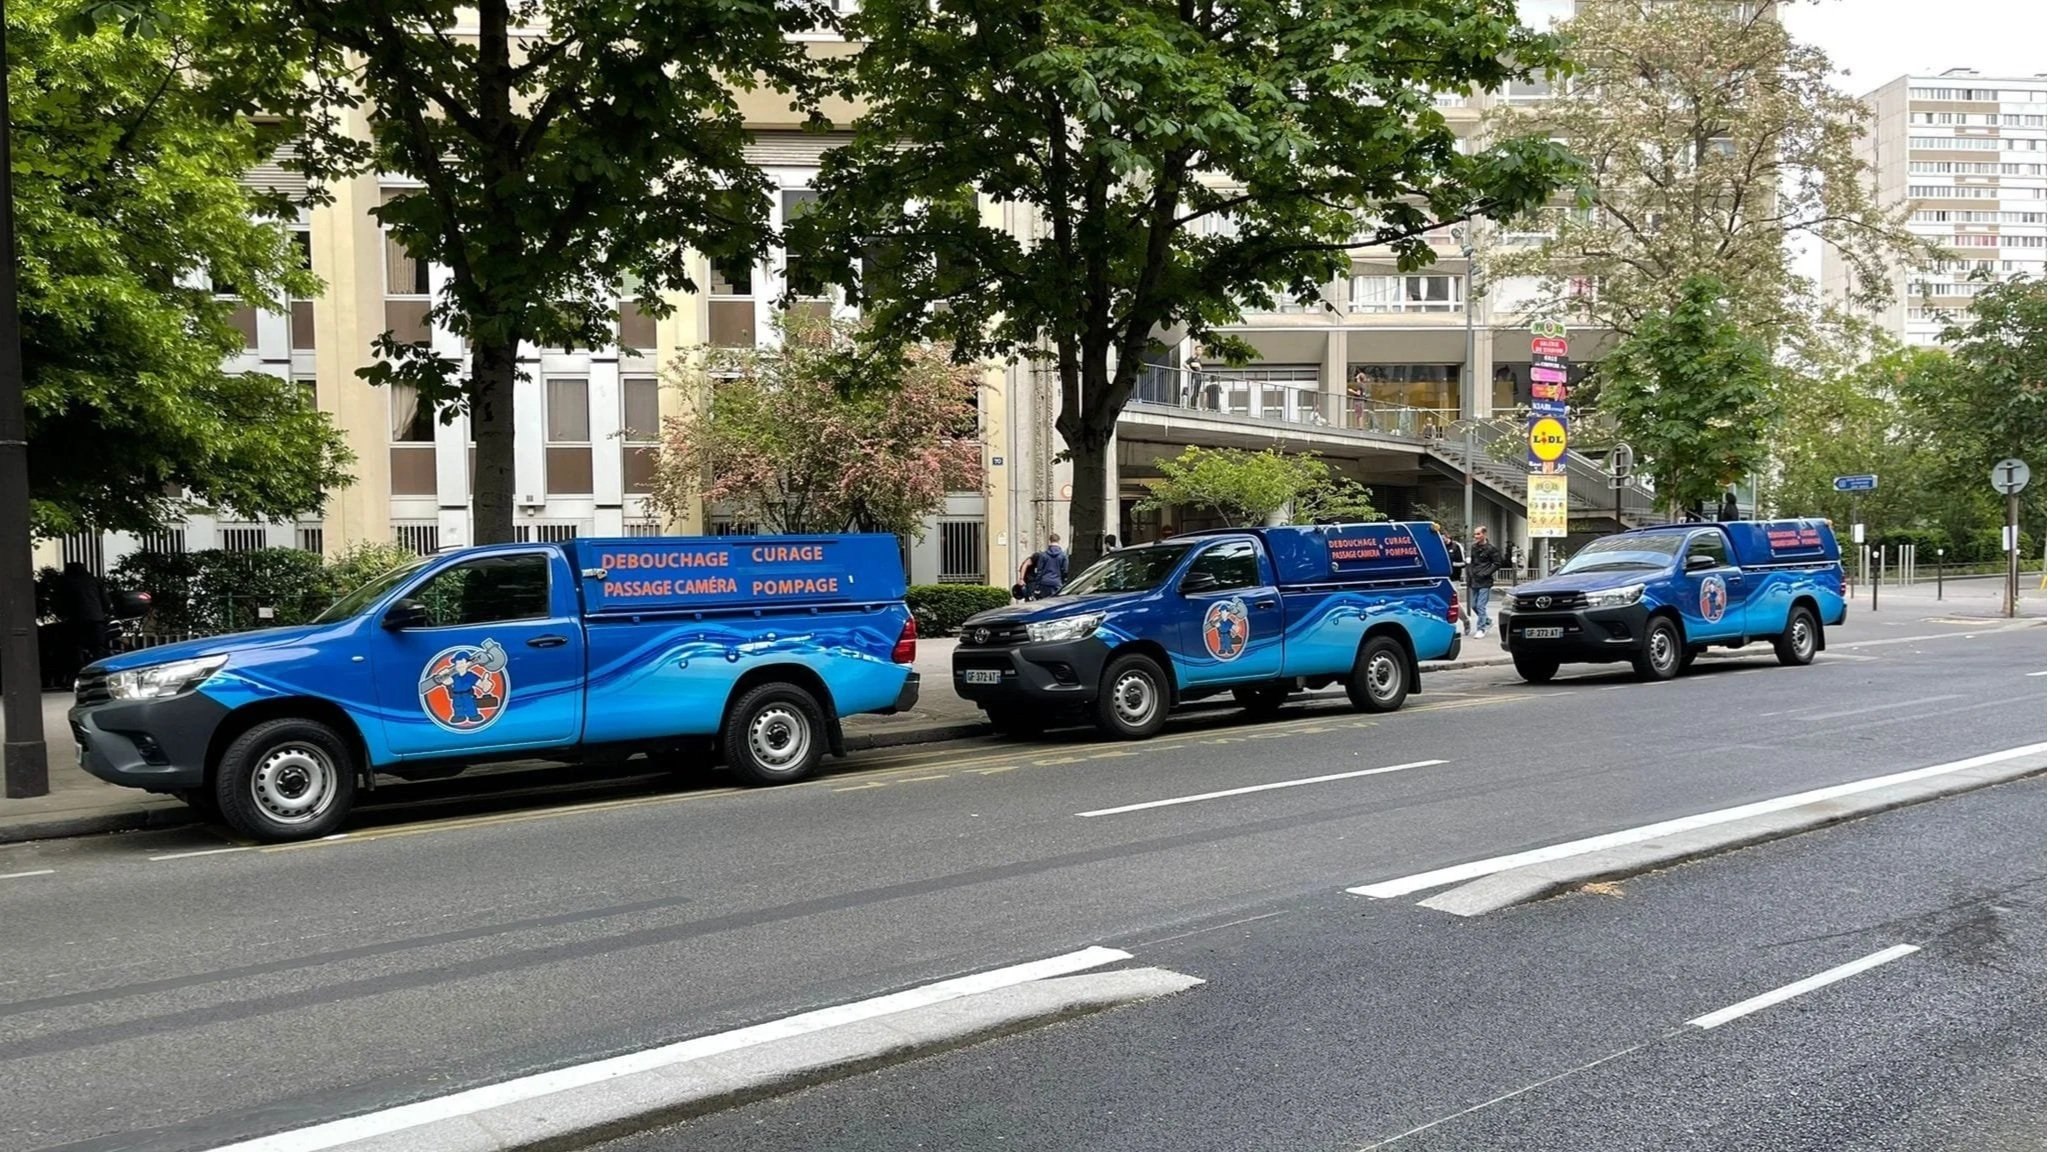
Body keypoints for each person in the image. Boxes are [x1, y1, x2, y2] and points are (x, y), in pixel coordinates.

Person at [57, 561, 113, 663]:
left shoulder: (66, 583)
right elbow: (106, 602)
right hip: (96, 620)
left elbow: (61, 603)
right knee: (98, 649)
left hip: (76, 621)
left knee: (75, 647)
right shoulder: (95, 581)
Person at [1468, 526, 1504, 638]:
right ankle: (1487, 620)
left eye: (1478, 534)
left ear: (1484, 534)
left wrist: (1486, 573)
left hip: (1485, 581)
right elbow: (1473, 562)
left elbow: (1497, 563)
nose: (1476, 536)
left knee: (1480, 605)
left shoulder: (1491, 549)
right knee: (1473, 605)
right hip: (1475, 579)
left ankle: (1481, 628)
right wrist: (1471, 574)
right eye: (1475, 534)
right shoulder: (1474, 547)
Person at [1030, 533, 1070, 599]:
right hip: (1057, 582)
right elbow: (1065, 570)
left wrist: (1037, 586)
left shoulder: (1043, 555)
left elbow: (1039, 571)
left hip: (1044, 583)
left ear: (1050, 540)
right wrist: (1063, 581)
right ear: (1058, 541)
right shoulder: (1063, 555)